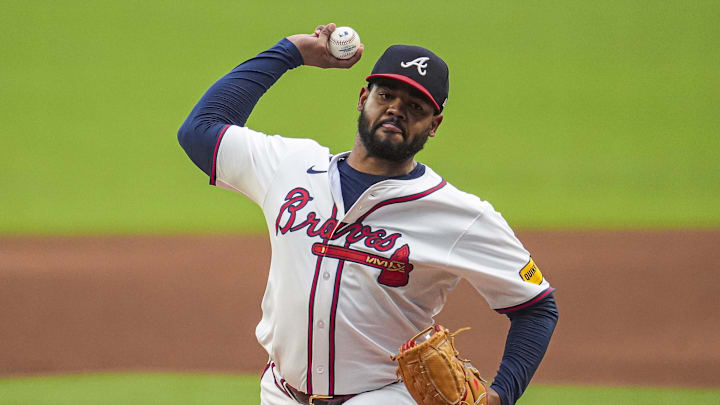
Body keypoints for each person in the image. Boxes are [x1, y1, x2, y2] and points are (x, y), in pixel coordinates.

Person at [178, 23, 558, 405]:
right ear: (363, 97)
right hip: (280, 394)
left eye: (415, 107)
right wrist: (291, 52)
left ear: (434, 124)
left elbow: (537, 306)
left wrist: (501, 395)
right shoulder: (289, 168)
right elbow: (199, 129)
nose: (397, 110)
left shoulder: (460, 214)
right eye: (387, 95)